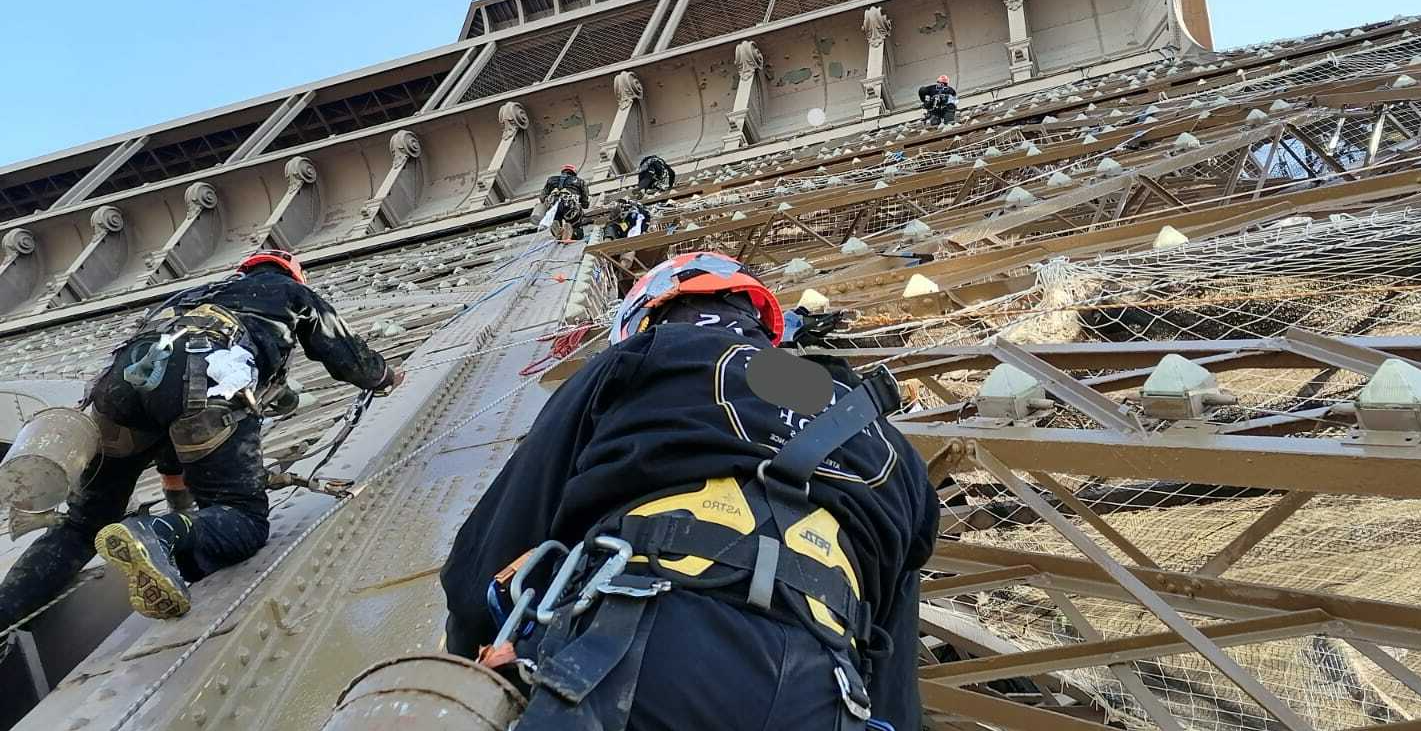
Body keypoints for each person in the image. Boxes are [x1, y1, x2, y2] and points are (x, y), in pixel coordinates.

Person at [440, 252, 938, 731]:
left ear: (651, 316)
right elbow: (893, 678)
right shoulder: (890, 445)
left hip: (636, 651)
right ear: (765, 327)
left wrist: (468, 668)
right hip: (825, 690)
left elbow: (498, 544)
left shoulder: (643, 358)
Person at [0, 250, 400, 626]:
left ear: (243, 271)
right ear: (294, 273)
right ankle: (157, 534)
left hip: (120, 388)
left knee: (82, 525)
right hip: (206, 381)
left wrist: (179, 499)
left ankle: (6, 614)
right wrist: (386, 377)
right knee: (241, 517)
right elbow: (348, 357)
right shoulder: (292, 293)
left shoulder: (187, 297)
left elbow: (162, 409)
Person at [540, 164, 590, 242]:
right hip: (569, 204)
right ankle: (571, 231)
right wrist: (583, 205)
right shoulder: (580, 181)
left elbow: (542, 197)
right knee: (577, 226)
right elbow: (585, 203)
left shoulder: (551, 179)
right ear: (574, 173)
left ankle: (558, 227)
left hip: (553, 205)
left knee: (556, 217)